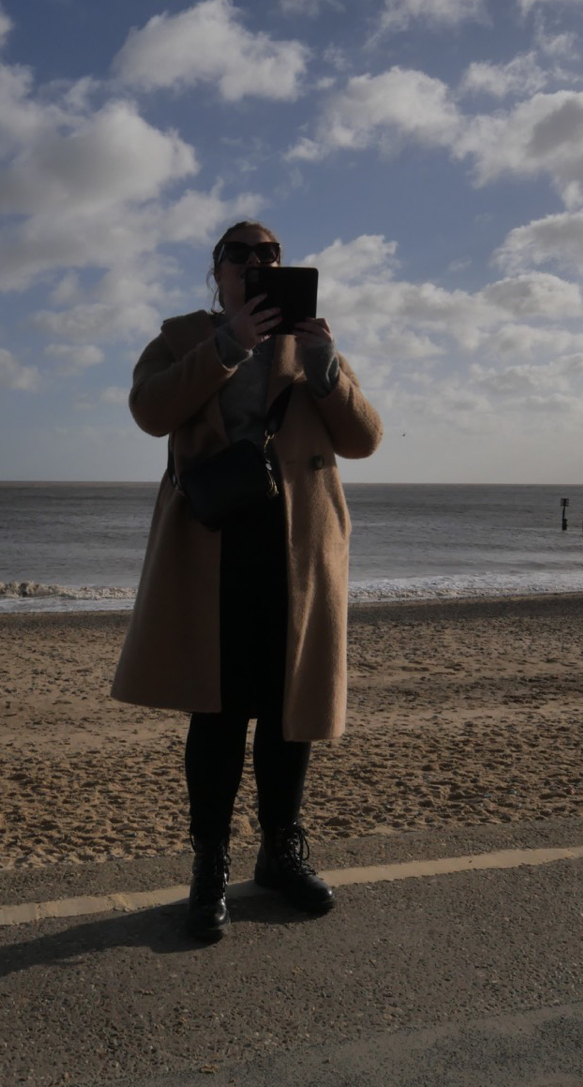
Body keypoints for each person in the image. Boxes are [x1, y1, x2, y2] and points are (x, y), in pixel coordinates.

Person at [112, 220, 384, 942]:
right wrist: (228, 345)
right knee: (219, 711)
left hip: (297, 550)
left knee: (290, 710)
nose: (257, 262)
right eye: (242, 254)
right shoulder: (181, 338)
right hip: (212, 547)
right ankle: (209, 866)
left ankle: (279, 852)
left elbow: (363, 439)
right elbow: (149, 411)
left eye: (271, 254)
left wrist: (325, 369)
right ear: (218, 271)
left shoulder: (312, 345)